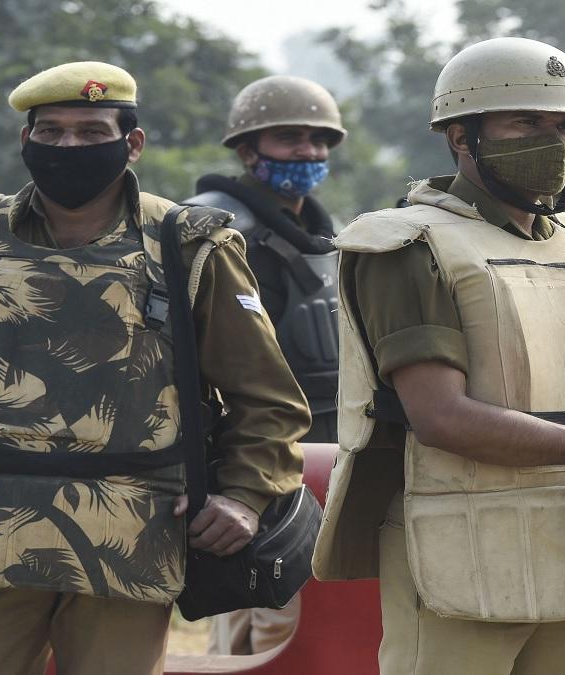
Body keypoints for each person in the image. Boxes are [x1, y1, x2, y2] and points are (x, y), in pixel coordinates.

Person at [0, 61, 310, 675]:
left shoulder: (187, 246)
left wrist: (244, 496)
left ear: (131, 143)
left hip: (130, 538)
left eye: (91, 132)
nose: (68, 146)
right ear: (26, 140)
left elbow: (267, 397)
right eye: (52, 131)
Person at [312, 37, 565, 674]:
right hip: (463, 548)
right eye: (526, 122)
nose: (553, 142)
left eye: (564, 127)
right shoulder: (409, 246)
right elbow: (441, 416)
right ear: (461, 136)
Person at [185, 74, 345, 657]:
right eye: (290, 138)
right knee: (254, 606)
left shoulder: (324, 234)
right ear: (248, 150)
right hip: (248, 448)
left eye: (318, 140)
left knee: (304, 605)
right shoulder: (209, 228)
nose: (307, 152)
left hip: (322, 440)